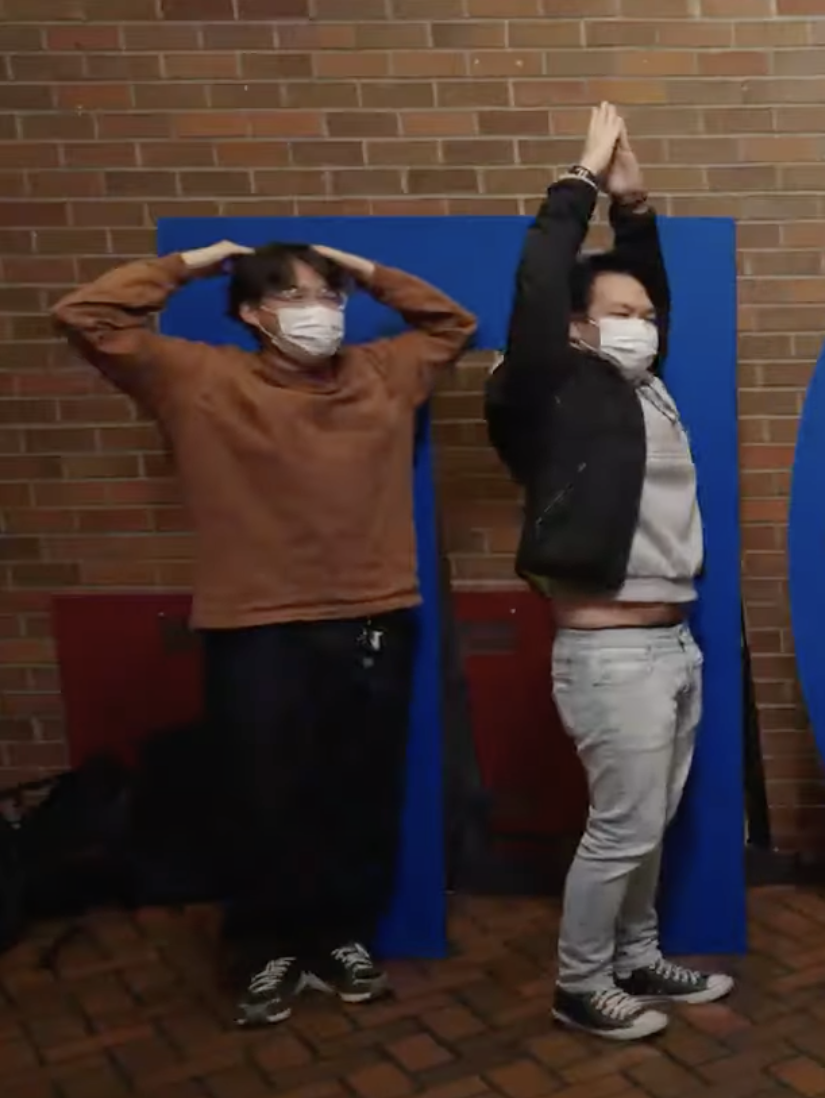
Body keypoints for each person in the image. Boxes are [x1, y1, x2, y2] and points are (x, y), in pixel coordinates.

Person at [51, 230, 475, 1026]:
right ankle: (268, 950)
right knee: (262, 795)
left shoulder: (386, 373)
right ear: (251, 313)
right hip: (257, 626)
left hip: (372, 616)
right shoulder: (199, 380)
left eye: (327, 297)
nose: (318, 312)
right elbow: (86, 316)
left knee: (356, 791)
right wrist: (191, 264)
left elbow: (453, 325)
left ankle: (343, 935)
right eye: (294, 296)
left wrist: (364, 271)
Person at [483, 104, 734, 1041]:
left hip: (672, 642)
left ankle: (637, 956)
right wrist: (580, 182)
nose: (640, 327)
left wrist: (636, 211)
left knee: (649, 825)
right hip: (610, 654)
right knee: (621, 828)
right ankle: (580, 982)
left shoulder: (645, 388)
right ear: (577, 332)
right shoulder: (551, 392)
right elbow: (541, 284)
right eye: (618, 317)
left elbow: (648, 295)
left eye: (646, 318)